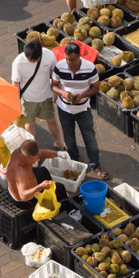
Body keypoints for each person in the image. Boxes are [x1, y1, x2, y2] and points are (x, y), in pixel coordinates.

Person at [52, 43, 109, 180]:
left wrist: (82, 96)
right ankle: (74, 160)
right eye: (67, 59)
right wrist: (63, 92)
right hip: (64, 109)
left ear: (79, 57)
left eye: (72, 59)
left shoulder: (89, 68)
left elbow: (96, 88)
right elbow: (54, 86)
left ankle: (95, 164)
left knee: (90, 138)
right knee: (69, 138)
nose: (69, 62)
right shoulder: (59, 66)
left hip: (83, 109)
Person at [11, 40, 66, 150]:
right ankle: (33, 148)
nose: (31, 62)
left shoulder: (49, 55)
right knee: (30, 124)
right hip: (28, 100)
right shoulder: (18, 63)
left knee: (52, 121)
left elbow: (53, 73)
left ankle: (59, 142)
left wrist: (57, 91)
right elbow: (15, 84)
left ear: (40, 57)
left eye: (34, 60)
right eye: (29, 59)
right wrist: (17, 103)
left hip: (45, 96)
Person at [6, 139, 69, 204]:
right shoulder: (20, 171)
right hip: (27, 200)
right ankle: (69, 209)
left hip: (30, 180)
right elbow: (23, 197)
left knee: (43, 171)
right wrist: (41, 187)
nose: (37, 159)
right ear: (23, 157)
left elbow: (41, 153)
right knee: (60, 187)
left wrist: (58, 154)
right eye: (33, 159)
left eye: (36, 157)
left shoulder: (22, 152)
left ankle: (52, 196)